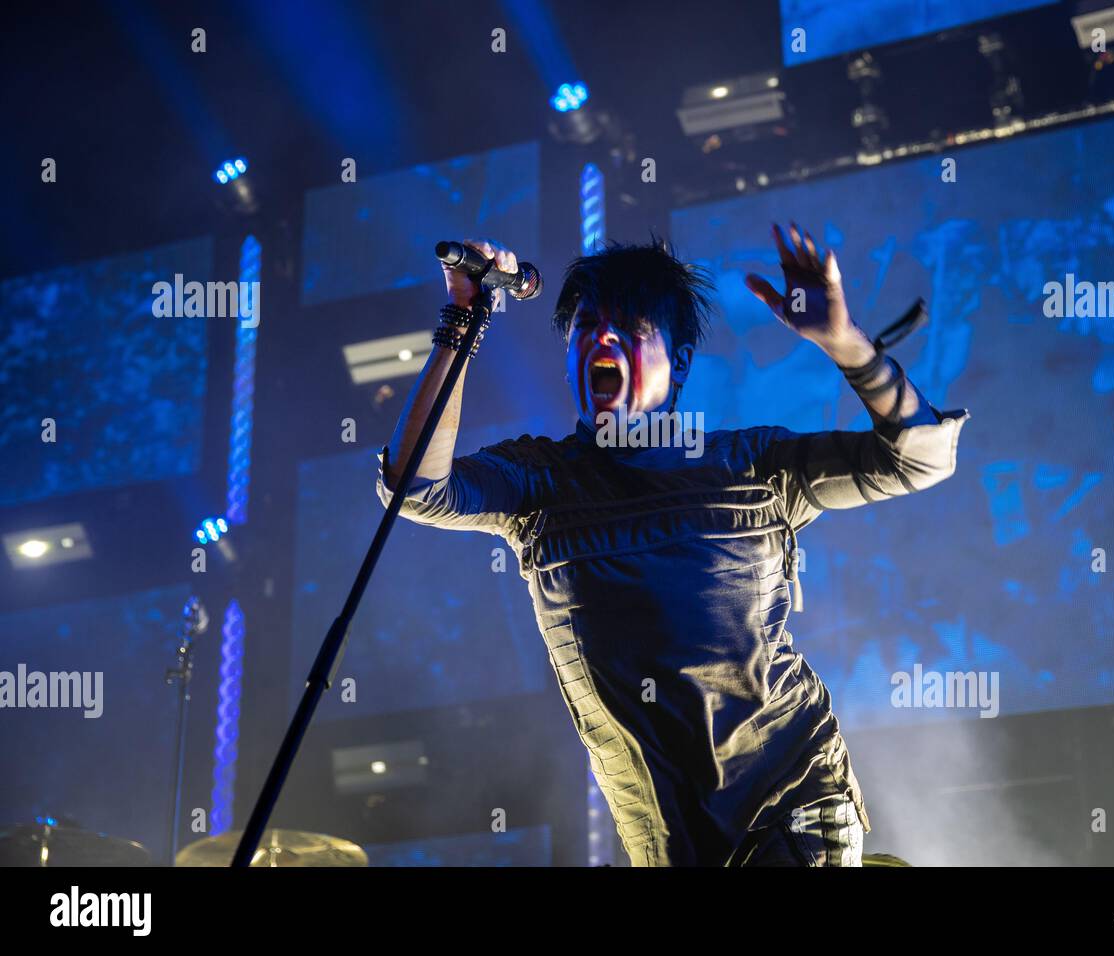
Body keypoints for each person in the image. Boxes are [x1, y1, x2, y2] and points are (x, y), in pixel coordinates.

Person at [378, 224, 968, 866]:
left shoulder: (752, 466)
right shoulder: (543, 482)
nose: (601, 338)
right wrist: (464, 320)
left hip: (786, 806)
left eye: (629, 328)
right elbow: (416, 487)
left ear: (680, 363)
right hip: (663, 838)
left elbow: (918, 458)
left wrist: (843, 342)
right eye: (585, 325)